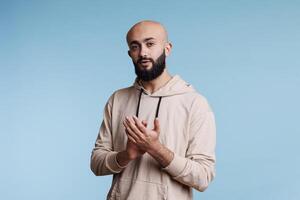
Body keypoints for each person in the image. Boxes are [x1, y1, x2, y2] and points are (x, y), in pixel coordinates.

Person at [90, 20, 216, 200]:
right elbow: (96, 163)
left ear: (167, 48)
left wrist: (156, 149)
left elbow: (203, 177)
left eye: (150, 44)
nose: (143, 53)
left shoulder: (195, 103)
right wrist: (127, 155)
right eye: (135, 47)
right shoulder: (117, 99)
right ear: (129, 54)